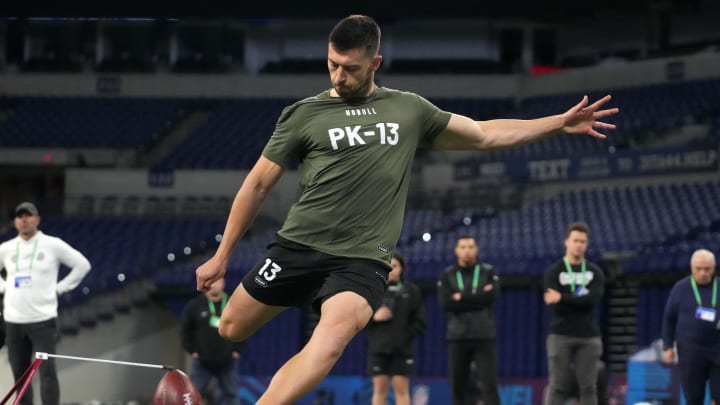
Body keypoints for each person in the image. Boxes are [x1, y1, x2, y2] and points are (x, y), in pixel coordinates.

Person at [193, 14, 619, 405]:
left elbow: (485, 134)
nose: (339, 76)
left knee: (331, 339)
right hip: (298, 246)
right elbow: (258, 183)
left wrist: (557, 122)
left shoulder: (408, 109)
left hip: (361, 261)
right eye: (332, 65)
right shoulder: (303, 114)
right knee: (230, 327)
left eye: (351, 68)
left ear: (375, 62)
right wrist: (223, 254)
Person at [0, 201, 92, 405]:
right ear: (15, 222)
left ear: (37, 219)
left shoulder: (53, 244)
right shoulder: (6, 248)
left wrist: (60, 288)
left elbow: (82, 265)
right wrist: (3, 286)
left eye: (28, 215)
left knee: (47, 373)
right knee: (20, 376)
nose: (24, 220)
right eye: (19, 216)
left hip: (42, 320)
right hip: (13, 320)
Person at [543, 221, 605, 405]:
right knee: (557, 386)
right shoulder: (554, 272)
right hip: (560, 334)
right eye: (575, 240)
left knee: (588, 387)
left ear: (586, 244)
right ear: (566, 242)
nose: (579, 245)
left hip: (589, 336)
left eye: (583, 242)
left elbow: (593, 300)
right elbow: (553, 304)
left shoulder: (595, 272)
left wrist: (562, 297)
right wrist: (575, 300)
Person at [438, 235, 501, 405]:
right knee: (458, 386)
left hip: (484, 335)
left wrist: (461, 297)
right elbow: (446, 304)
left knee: (490, 385)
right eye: (463, 247)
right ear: (456, 250)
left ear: (477, 249)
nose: (467, 250)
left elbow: (490, 298)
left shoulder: (488, 271)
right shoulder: (448, 274)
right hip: (457, 336)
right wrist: (477, 296)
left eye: (471, 246)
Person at [366, 252, 426, 405]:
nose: (391, 270)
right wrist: (374, 317)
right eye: (388, 266)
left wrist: (405, 336)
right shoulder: (374, 289)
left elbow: (420, 321)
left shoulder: (412, 290)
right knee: (379, 390)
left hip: (402, 350)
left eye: (395, 266)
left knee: (402, 390)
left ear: (402, 268)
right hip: (378, 348)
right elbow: (359, 319)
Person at [661, 249, 719, 405]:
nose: (703, 273)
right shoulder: (680, 288)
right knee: (693, 399)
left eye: (707, 269)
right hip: (690, 351)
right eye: (698, 269)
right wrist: (667, 346)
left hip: (718, 349)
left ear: (714, 268)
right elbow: (669, 318)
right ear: (692, 268)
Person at [181, 277, 243, 405]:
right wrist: (192, 350)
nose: (214, 285)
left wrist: (237, 349)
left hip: (227, 361)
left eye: (217, 281)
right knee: (192, 396)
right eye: (211, 282)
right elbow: (185, 330)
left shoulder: (233, 303)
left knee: (231, 395)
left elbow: (244, 325)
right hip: (202, 362)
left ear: (223, 283)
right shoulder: (195, 305)